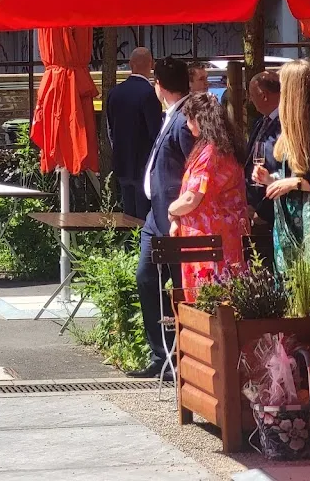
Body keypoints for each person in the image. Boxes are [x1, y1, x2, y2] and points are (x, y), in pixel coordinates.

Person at [131, 56, 195, 378]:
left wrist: (179, 210)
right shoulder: (171, 115)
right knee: (147, 278)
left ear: (159, 85)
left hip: (174, 219)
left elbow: (194, 169)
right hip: (155, 218)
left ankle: (183, 356)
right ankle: (161, 354)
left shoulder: (184, 120)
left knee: (181, 285)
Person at [253, 60, 310, 274]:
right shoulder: (291, 125)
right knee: (290, 286)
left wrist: (294, 183)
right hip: (288, 228)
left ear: (294, 90)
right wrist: (271, 180)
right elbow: (293, 177)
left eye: (282, 86)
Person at [168, 92, 250, 301]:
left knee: (209, 298)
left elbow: (192, 198)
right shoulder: (223, 147)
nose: (187, 125)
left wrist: (171, 210)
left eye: (189, 119)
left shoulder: (210, 153)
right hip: (223, 236)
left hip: (209, 239)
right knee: (225, 296)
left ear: (199, 119)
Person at [106, 47, 162, 219]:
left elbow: (110, 130)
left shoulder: (114, 93)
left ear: (130, 64)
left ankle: (128, 238)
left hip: (122, 163)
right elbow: (156, 134)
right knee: (144, 218)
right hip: (144, 165)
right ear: (151, 65)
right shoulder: (150, 94)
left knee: (128, 216)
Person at [245, 71, 282, 224]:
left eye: (252, 95)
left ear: (264, 96)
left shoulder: (285, 124)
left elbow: (281, 168)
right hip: (254, 205)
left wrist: (263, 212)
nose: (250, 100)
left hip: (273, 207)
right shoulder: (261, 121)